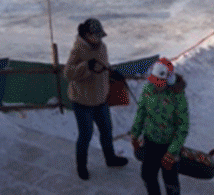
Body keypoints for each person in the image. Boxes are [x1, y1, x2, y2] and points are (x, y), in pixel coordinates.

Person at [64, 18, 129, 181]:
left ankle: (110, 158)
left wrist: (112, 72)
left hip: (100, 99)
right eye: (96, 36)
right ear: (87, 34)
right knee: (86, 135)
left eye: (101, 36)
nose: (99, 39)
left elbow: (103, 65)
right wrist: (85, 66)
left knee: (107, 130)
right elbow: (68, 74)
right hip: (83, 102)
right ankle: (81, 166)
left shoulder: (102, 47)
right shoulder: (78, 50)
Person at [131, 56, 189, 195]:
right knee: (147, 175)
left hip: (169, 145)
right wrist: (135, 134)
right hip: (150, 141)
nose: (156, 85)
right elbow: (141, 112)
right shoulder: (148, 89)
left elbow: (182, 127)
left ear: (169, 79)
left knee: (170, 180)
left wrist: (172, 152)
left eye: (160, 82)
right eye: (154, 81)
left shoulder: (178, 96)